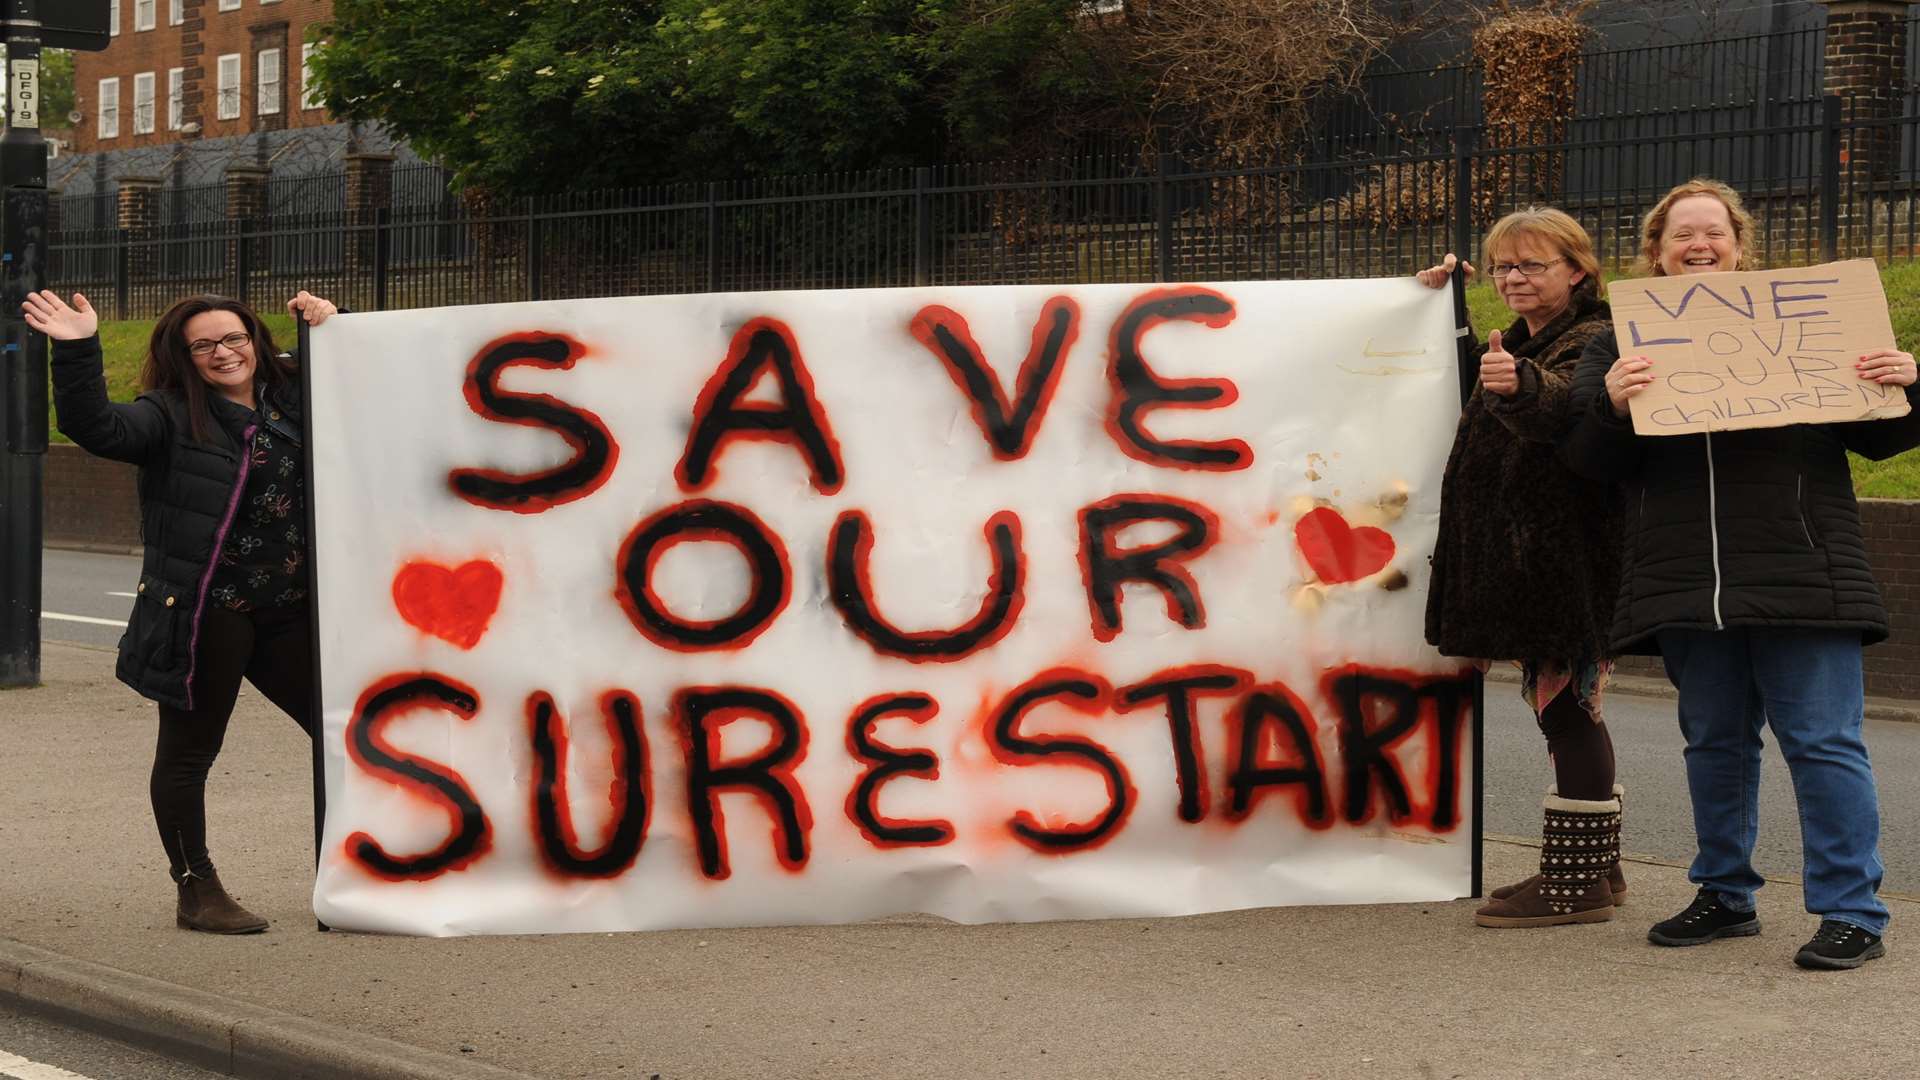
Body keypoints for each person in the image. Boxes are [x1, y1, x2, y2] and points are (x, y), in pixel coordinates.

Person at [1563, 178, 1920, 969]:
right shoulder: (1617, 345)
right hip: (1686, 581)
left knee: (1824, 744)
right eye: (1681, 235)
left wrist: (1907, 384)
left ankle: (1851, 910)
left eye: (1714, 234)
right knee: (1714, 744)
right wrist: (1611, 408)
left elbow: (1887, 440)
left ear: (1738, 246)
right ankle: (1725, 894)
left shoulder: (1816, 321)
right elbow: (1588, 462)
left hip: (1806, 573)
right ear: (1654, 254)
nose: (1699, 245)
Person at [25, 287, 340, 934]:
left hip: (291, 609)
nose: (224, 353)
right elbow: (95, 428)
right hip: (208, 613)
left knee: (345, 738)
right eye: (204, 345)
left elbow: (368, 380)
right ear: (184, 357)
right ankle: (196, 889)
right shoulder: (167, 416)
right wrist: (79, 349)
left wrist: (333, 326)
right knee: (189, 754)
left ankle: (358, 875)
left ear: (255, 337)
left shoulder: (291, 397)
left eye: (234, 338)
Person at [1416, 208, 1627, 928]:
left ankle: (1578, 886)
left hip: (1565, 562)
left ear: (1577, 269)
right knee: (1562, 709)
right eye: (1505, 265)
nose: (1513, 277)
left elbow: (1570, 404)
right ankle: (1600, 865)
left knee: (1567, 710)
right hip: (1536, 561)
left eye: (1532, 265)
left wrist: (1521, 385)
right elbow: (1498, 377)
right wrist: (1441, 301)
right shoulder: (1535, 339)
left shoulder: (1597, 334)